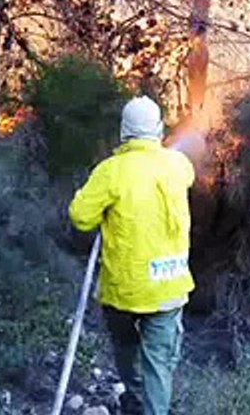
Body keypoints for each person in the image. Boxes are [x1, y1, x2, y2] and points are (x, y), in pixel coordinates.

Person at [69, 96, 195, 415]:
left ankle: (136, 401)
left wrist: (87, 199)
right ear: (158, 129)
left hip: (124, 290)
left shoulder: (111, 172)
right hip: (169, 286)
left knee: (126, 350)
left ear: (124, 132)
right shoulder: (178, 165)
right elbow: (187, 176)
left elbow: (81, 216)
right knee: (159, 364)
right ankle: (151, 407)